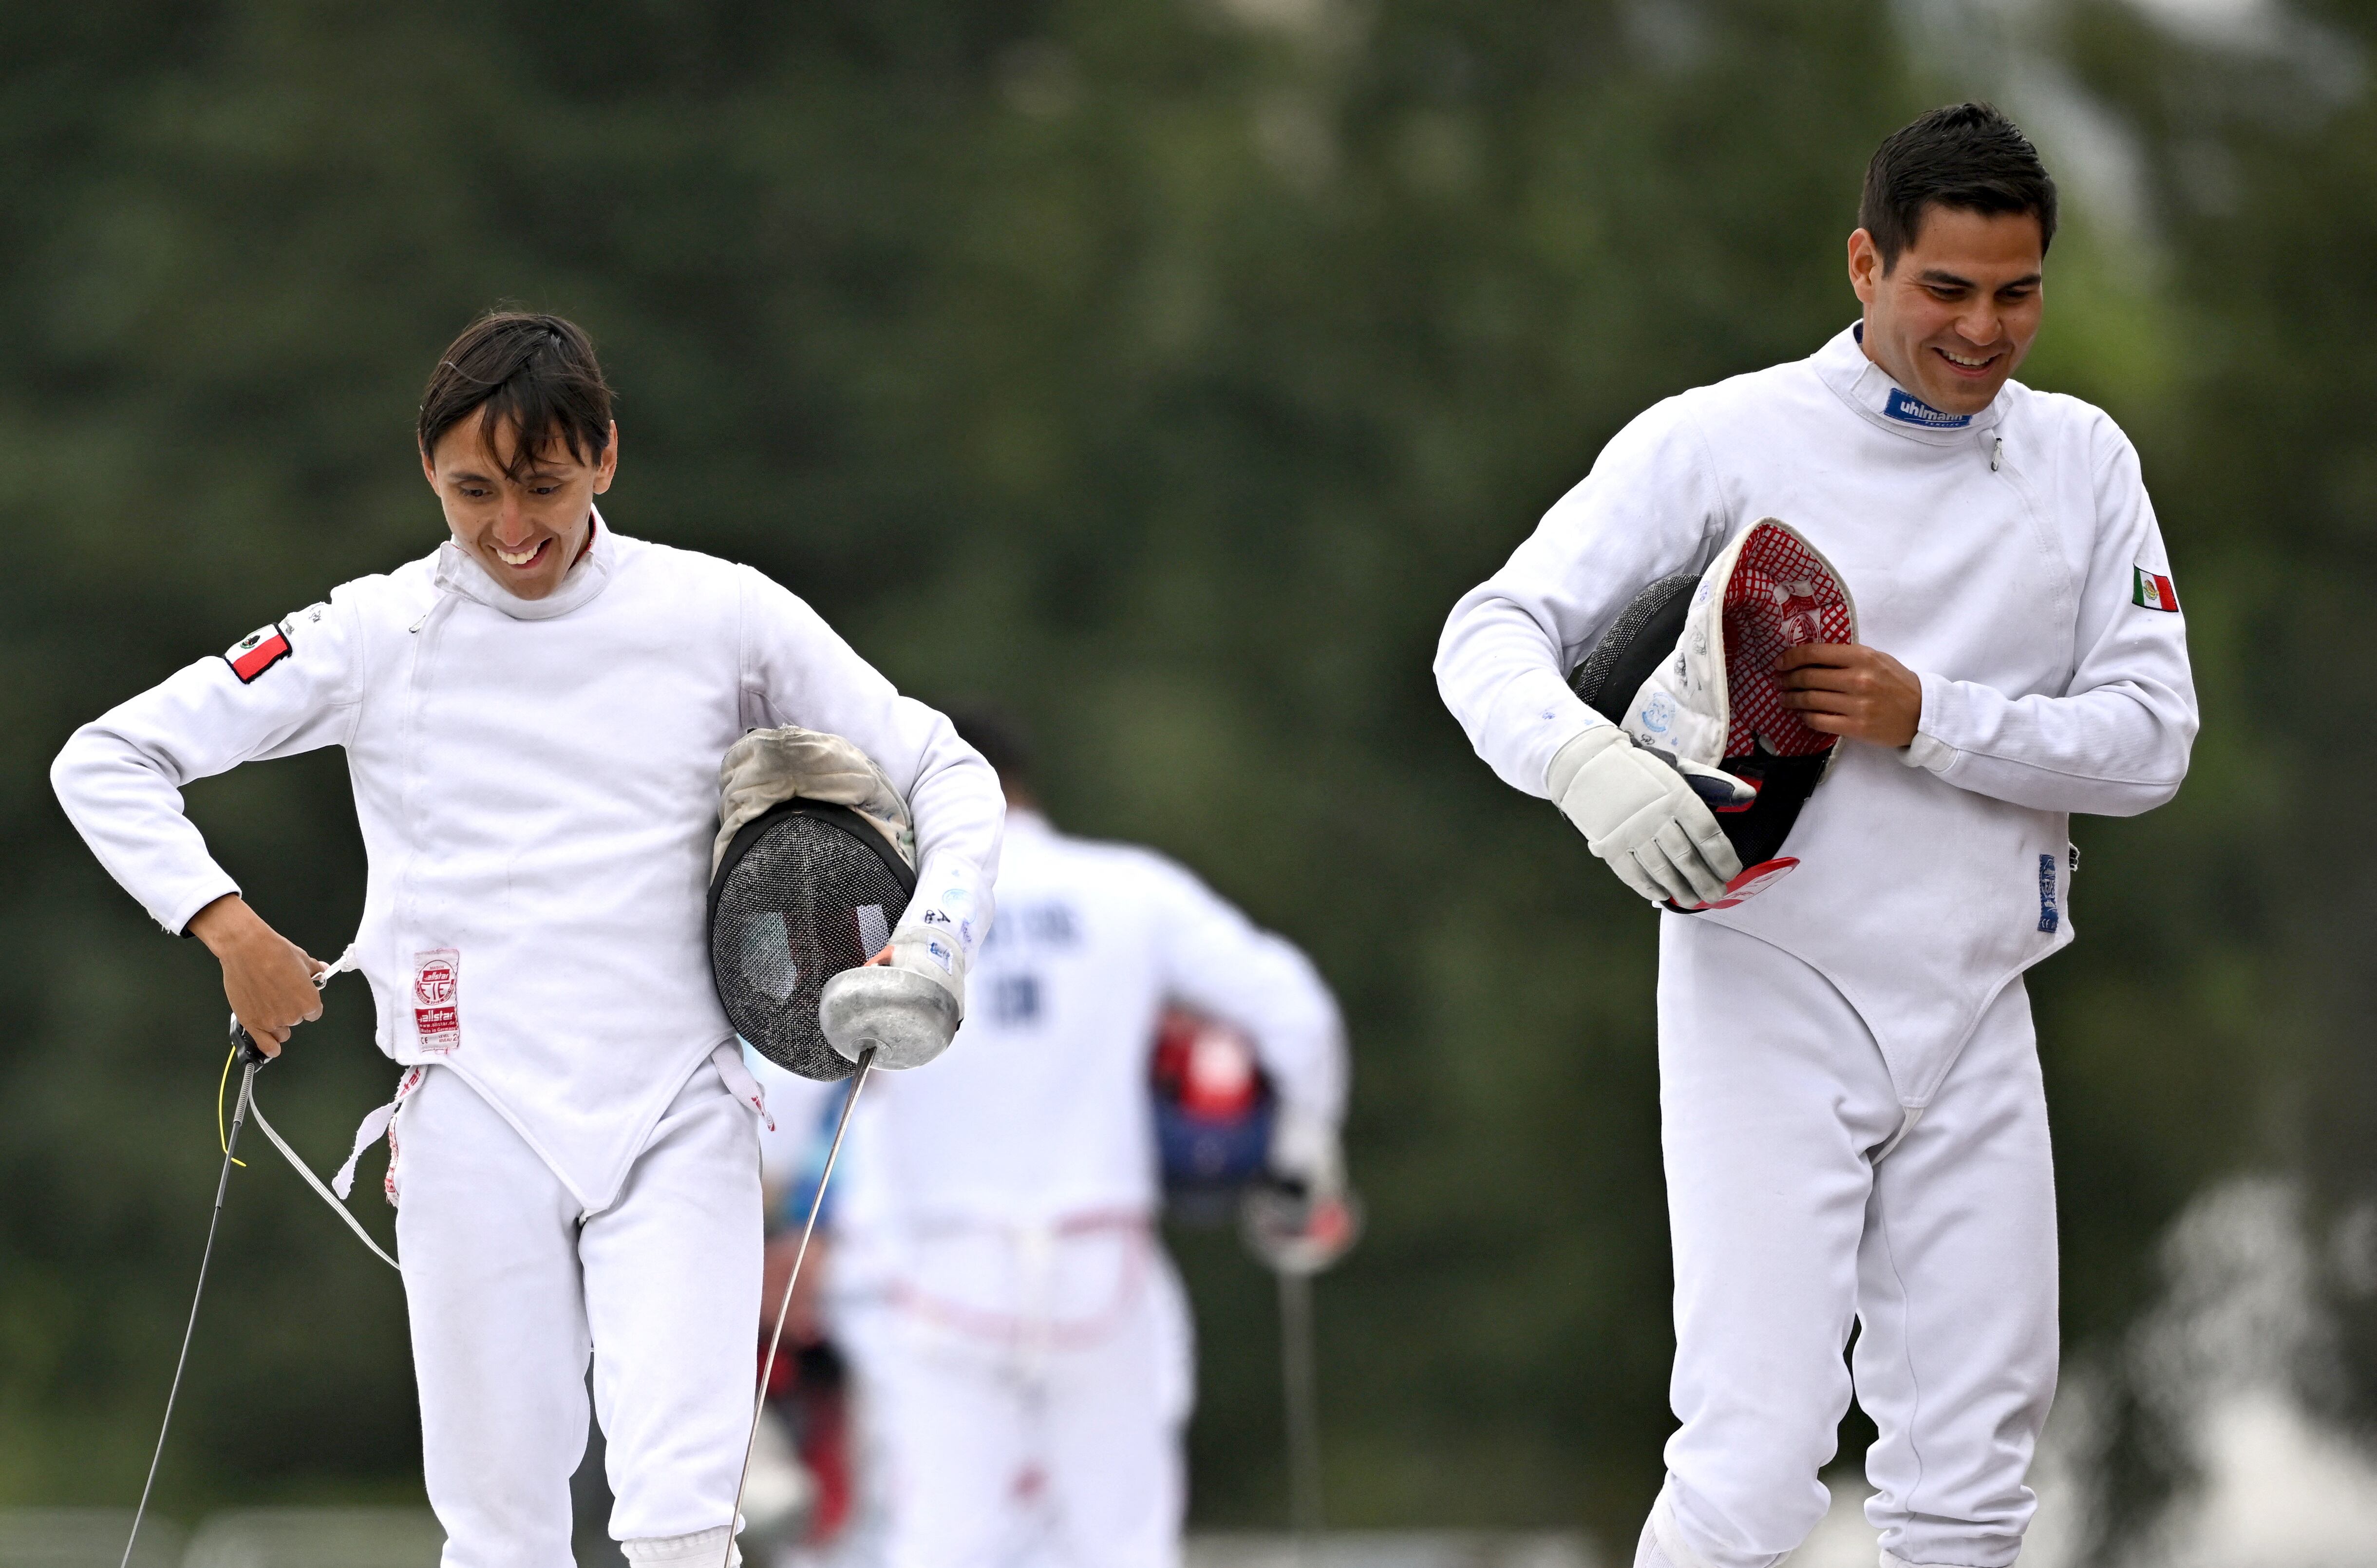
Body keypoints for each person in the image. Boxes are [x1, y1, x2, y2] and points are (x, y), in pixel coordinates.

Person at [50, 313, 1005, 1568]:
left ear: (605, 456)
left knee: (679, 1522)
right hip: (470, 1112)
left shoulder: (721, 612)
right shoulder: (372, 631)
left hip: (677, 1104)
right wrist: (225, 923)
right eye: (473, 491)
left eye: (544, 486)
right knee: (498, 1531)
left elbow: (947, 769)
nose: (512, 530)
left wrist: (931, 939)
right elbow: (107, 757)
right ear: (429, 477)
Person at [1435, 104, 2196, 1568]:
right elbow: (1490, 636)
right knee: (1754, 1461)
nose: (1984, 331)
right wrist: (1590, 770)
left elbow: (2152, 740)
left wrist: (1930, 713)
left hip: (1979, 992)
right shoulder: (1723, 437)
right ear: (1867, 262)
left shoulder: (2085, 462)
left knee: (1973, 1478)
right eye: (1947, 288)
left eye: (2018, 291)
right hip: (1770, 983)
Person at [757, 711, 1351, 1568]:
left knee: (943, 1548)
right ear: (1027, 784)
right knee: (1123, 1547)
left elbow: (782, 1087)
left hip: (939, 1275)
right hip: (1098, 1270)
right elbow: (1298, 1015)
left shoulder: (874, 913)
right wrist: (1300, 1158)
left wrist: (765, 1222)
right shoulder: (1131, 891)